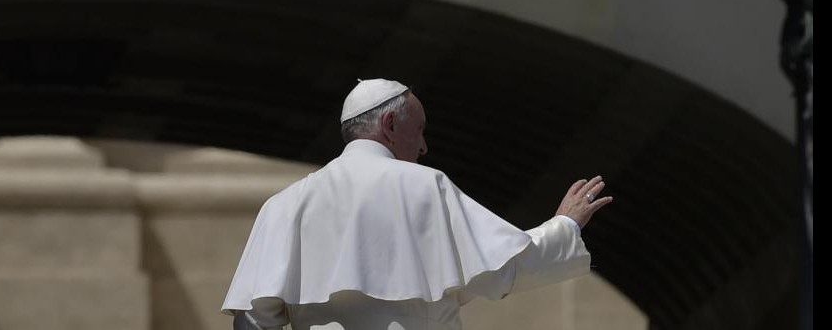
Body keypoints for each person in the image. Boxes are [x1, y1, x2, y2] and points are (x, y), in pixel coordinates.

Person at [223, 79, 613, 329]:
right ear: (390, 124)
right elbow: (506, 268)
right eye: (420, 129)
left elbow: (255, 321)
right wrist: (565, 225)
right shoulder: (428, 187)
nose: (424, 146)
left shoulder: (284, 205)